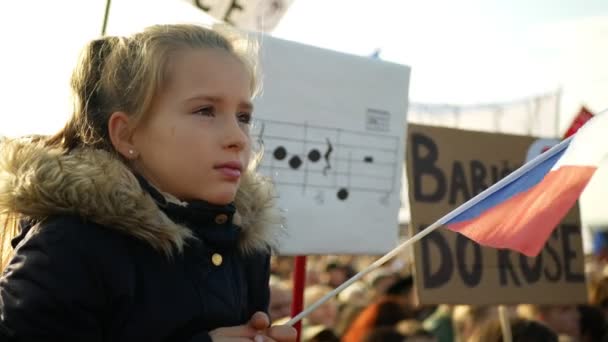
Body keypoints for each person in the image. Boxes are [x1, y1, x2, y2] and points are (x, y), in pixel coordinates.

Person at [0, 24, 296, 342]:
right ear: (127, 134)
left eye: (243, 117)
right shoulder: (67, 247)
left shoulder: (244, 245)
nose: (238, 138)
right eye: (205, 111)